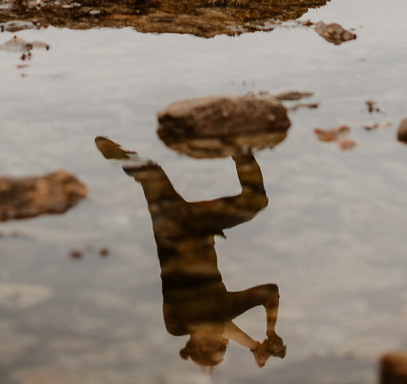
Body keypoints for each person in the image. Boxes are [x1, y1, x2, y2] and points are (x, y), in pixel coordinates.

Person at [95, 136, 286, 369]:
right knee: (256, 201)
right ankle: (238, 148)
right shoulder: (225, 312)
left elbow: (216, 325)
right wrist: (271, 330)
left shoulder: (177, 325)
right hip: (201, 227)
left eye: (221, 348)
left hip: (174, 230)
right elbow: (269, 292)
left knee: (151, 174)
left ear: (199, 346)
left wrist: (256, 346)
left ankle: (124, 158)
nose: (226, 342)